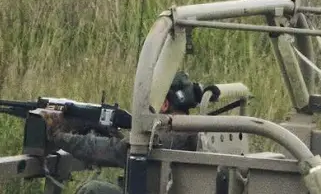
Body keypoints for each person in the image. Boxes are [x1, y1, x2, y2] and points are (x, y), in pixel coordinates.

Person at [42, 72, 205, 168]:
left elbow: (114, 151)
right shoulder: (187, 130)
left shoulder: (167, 136)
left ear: (164, 104)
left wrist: (58, 135)